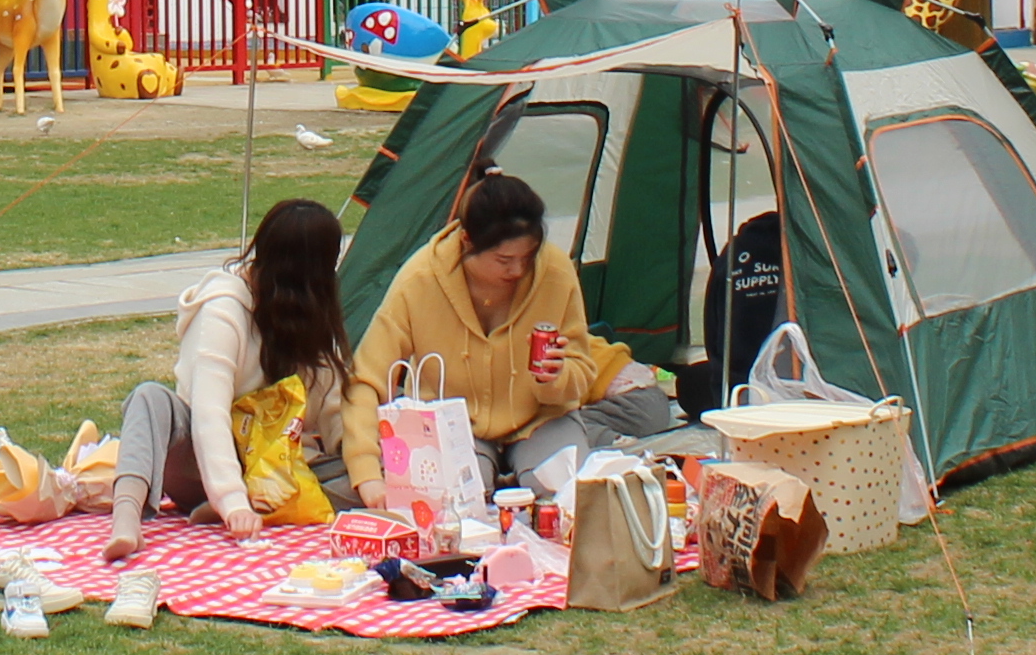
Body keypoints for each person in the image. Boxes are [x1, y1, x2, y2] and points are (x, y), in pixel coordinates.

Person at [349, 168, 681, 494]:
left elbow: (581, 369)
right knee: (454, 501)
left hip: (542, 421)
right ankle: (499, 478)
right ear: (467, 241)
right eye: (504, 259)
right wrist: (367, 473)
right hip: (456, 427)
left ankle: (526, 473)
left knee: (566, 493)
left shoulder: (554, 271)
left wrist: (557, 378)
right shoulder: (420, 280)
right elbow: (366, 379)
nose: (518, 269)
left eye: (528, 256)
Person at [103, 198, 373, 552]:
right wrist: (232, 501)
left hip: (275, 468)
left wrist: (367, 466)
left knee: (359, 479)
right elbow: (208, 416)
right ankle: (127, 519)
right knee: (149, 399)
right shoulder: (224, 308)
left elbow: (334, 405)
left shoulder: (311, 315)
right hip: (201, 464)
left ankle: (263, 505)